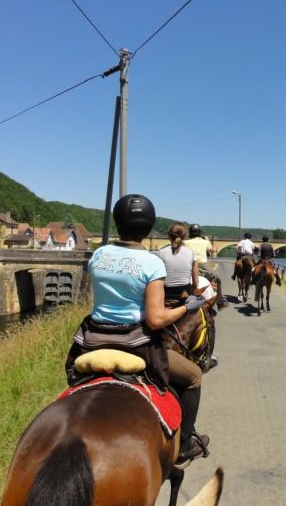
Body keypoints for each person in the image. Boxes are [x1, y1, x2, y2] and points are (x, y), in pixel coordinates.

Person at [65, 194, 209, 464]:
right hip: (135, 343)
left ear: (118, 223)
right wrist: (187, 307)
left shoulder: (99, 255)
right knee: (194, 376)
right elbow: (155, 320)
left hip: (91, 340)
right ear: (148, 226)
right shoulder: (151, 263)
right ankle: (186, 444)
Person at [184, 223, 229, 310]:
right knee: (218, 279)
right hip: (202, 267)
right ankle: (220, 302)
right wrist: (207, 240)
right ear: (199, 233)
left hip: (189, 267)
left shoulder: (185, 242)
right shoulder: (205, 242)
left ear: (190, 233)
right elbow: (212, 251)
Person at [157, 222, 199, 302]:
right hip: (185, 295)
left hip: (165, 295)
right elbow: (196, 283)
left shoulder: (160, 253)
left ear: (169, 236)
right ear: (184, 236)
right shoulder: (192, 253)